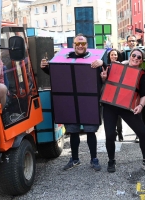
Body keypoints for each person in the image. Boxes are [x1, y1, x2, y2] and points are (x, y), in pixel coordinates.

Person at [40, 33, 104, 171]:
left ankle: (94, 159)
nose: (80, 46)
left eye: (83, 43)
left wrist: (102, 63)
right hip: (70, 100)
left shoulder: (96, 60)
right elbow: (58, 74)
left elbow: (104, 74)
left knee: (90, 132)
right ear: (73, 45)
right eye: (77, 44)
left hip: (88, 100)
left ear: (87, 45)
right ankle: (74, 159)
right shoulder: (65, 59)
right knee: (73, 132)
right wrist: (45, 67)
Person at [101, 48, 145, 173]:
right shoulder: (116, 67)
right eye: (133, 55)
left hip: (128, 107)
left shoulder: (142, 74)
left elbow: (144, 94)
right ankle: (111, 160)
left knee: (143, 133)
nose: (135, 58)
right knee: (110, 135)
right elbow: (107, 81)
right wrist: (103, 78)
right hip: (110, 106)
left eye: (139, 57)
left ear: (141, 61)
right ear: (130, 56)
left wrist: (140, 106)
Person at [107, 49, 124, 142]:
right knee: (111, 116)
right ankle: (114, 133)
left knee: (118, 116)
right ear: (109, 56)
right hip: (109, 94)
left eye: (115, 55)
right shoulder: (106, 66)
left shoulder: (122, 65)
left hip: (119, 94)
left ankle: (120, 133)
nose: (114, 56)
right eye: (112, 55)